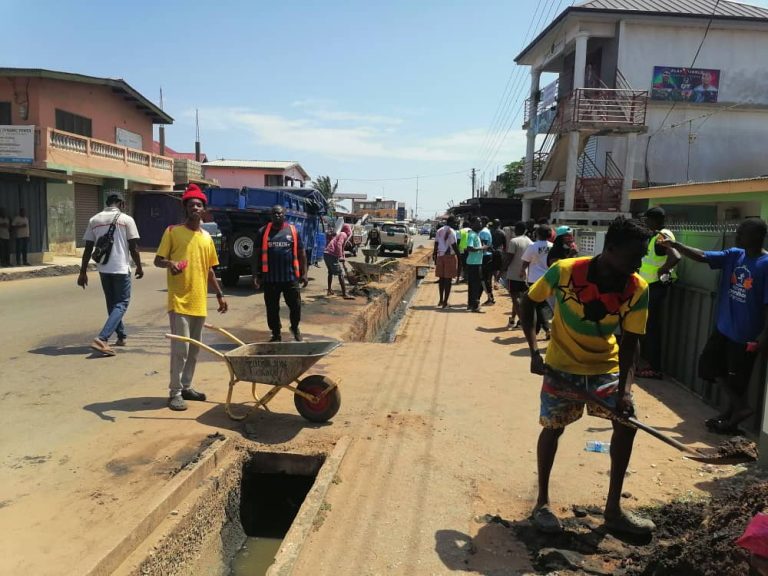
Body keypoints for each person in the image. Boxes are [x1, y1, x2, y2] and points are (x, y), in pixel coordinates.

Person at [521, 217, 655, 536]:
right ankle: (542, 504)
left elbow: (630, 343)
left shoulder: (637, 287)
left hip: (604, 368)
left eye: (642, 256)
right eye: (634, 255)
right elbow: (528, 304)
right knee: (553, 429)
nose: (639, 262)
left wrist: (624, 390)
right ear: (610, 249)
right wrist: (533, 352)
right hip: (561, 367)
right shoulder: (566, 271)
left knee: (627, 422)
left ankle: (613, 510)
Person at [659, 218, 768, 434]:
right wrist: (676, 245)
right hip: (724, 327)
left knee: (738, 380)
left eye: (742, 232)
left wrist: (763, 335)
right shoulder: (736, 255)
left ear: (757, 236)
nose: (737, 236)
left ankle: (731, 420)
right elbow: (702, 256)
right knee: (708, 364)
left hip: (746, 335)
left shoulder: (766, 265)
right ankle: (740, 408)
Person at [155, 184, 228, 411]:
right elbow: (158, 260)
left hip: (199, 302)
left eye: (199, 204)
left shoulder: (207, 238)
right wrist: (171, 263)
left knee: (195, 349)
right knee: (181, 349)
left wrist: (219, 295)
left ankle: (186, 386)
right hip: (179, 301)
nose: (195, 208)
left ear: (204, 209)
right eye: (191, 205)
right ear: (185, 208)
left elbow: (210, 270)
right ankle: (175, 392)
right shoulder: (172, 232)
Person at [78, 193, 143, 356]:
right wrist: (139, 267)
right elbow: (134, 247)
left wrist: (83, 272)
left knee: (112, 303)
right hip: (120, 268)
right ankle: (102, 338)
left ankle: (121, 335)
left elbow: (88, 249)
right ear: (121, 203)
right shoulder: (127, 220)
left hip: (103, 269)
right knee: (122, 303)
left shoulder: (94, 220)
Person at [252, 205, 308, 342]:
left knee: (295, 306)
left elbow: (302, 253)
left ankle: (294, 328)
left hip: (290, 278)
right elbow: (255, 255)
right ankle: (276, 333)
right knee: (272, 309)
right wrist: (255, 275)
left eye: (279, 213)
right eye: (274, 214)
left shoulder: (293, 231)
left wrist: (304, 273)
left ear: (284, 215)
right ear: (271, 216)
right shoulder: (263, 232)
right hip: (270, 279)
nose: (277, 216)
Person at [637, 207, 680, 379]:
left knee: (652, 328)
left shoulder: (662, 236)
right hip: (650, 286)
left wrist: (664, 269)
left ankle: (653, 367)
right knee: (647, 327)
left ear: (653, 220)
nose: (645, 223)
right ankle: (647, 363)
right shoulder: (656, 235)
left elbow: (676, 256)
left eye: (646, 219)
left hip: (656, 287)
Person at [522, 225, 554, 339]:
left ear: (538, 234)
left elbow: (526, 261)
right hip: (549, 278)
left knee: (537, 305)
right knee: (544, 304)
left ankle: (546, 328)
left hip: (534, 279)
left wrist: (522, 272)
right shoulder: (552, 246)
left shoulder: (532, 246)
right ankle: (540, 328)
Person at [506, 222, 532, 329]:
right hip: (526, 274)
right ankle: (512, 320)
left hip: (513, 274)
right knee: (518, 299)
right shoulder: (531, 242)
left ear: (516, 230)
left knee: (515, 298)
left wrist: (502, 270)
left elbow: (509, 257)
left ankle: (522, 321)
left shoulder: (514, 241)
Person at [433, 216, 459, 308]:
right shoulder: (451, 231)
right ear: (451, 222)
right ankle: (445, 302)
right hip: (449, 257)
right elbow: (454, 245)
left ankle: (440, 300)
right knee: (448, 280)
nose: (457, 224)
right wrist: (459, 256)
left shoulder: (439, 230)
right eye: (455, 222)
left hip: (440, 256)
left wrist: (434, 254)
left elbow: (436, 243)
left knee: (442, 279)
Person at [325, 223, 354, 299]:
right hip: (331, 254)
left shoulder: (340, 234)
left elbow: (342, 249)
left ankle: (329, 290)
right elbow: (339, 244)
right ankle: (345, 294)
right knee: (340, 273)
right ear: (348, 231)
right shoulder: (343, 234)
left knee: (330, 272)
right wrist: (340, 256)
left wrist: (343, 261)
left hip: (326, 254)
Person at [465, 218, 485, 313]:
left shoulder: (475, 234)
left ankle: (470, 304)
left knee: (472, 285)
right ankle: (475, 305)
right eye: (478, 222)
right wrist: (482, 248)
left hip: (474, 262)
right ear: (473, 224)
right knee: (476, 285)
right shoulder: (472, 235)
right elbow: (469, 248)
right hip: (474, 263)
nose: (480, 224)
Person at [479, 217, 495, 305]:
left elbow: (484, 246)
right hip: (486, 256)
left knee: (485, 279)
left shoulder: (484, 232)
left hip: (485, 257)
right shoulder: (485, 231)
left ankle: (490, 298)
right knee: (484, 279)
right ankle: (488, 297)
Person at [456, 219, 471, 284]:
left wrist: (457, 250)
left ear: (463, 225)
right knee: (469, 264)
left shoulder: (460, 231)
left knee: (461, 264)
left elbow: (458, 241)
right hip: (470, 249)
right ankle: (467, 278)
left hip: (462, 250)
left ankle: (461, 278)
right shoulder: (472, 230)